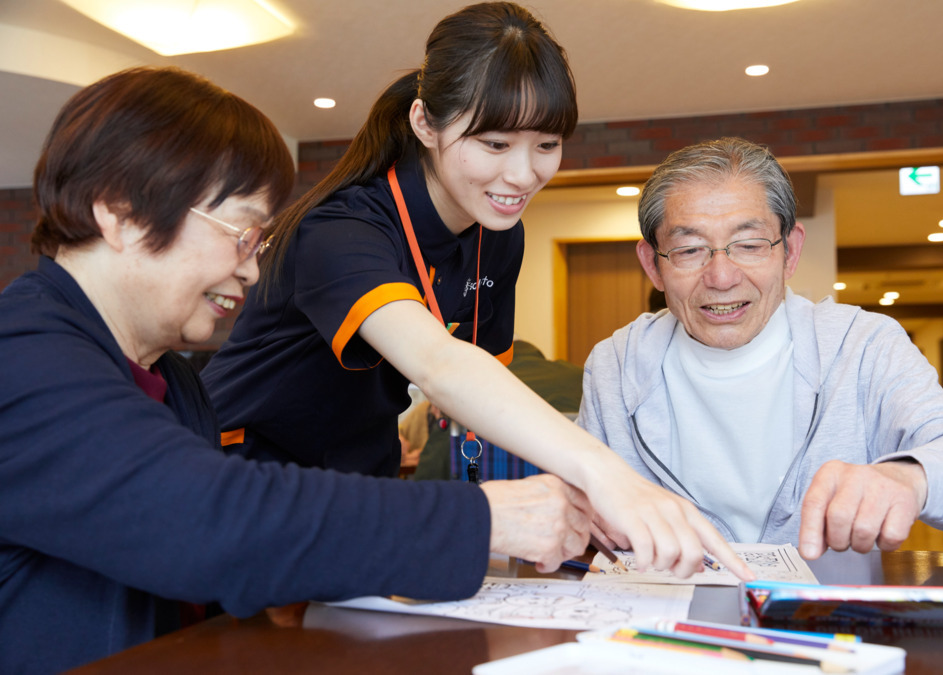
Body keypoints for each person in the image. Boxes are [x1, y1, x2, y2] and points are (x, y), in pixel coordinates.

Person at [0, 66, 596, 674]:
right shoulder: (21, 353)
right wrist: (484, 521)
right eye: (239, 230)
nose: (252, 270)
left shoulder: (174, 385)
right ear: (120, 212)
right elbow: (207, 523)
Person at [200, 2, 751, 578]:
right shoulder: (341, 229)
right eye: (494, 144)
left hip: (360, 478)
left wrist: (581, 501)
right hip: (243, 469)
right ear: (425, 123)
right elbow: (439, 364)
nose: (522, 175)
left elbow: (483, 396)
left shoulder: (498, 237)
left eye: (546, 144)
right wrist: (610, 476)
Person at [578, 136, 943, 560]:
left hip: (824, 623)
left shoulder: (860, 346)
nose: (722, 277)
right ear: (653, 264)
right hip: (663, 625)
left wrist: (909, 476)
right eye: (690, 249)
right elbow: (579, 505)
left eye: (749, 245)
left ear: (790, 252)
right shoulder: (616, 365)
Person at [413, 338, 585, 481]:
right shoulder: (580, 377)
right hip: (570, 504)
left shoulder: (469, 385)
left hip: (486, 510)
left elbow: (427, 482)